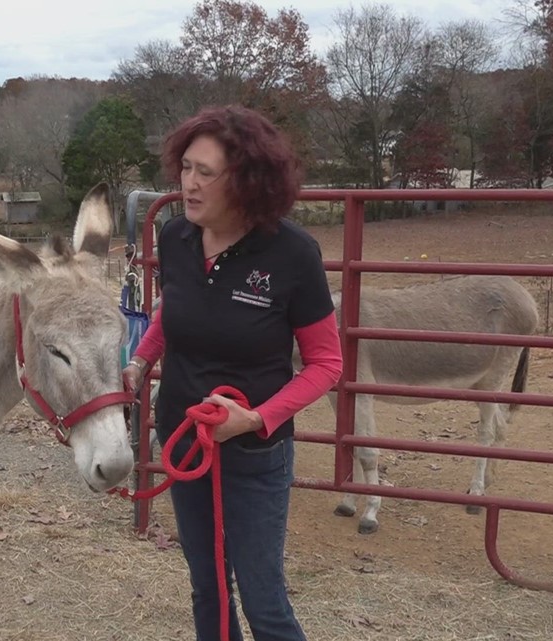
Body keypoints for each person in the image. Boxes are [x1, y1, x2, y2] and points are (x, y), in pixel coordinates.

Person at [123, 105, 343, 641]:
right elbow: (173, 311)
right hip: (184, 438)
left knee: (263, 600)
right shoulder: (175, 237)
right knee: (208, 589)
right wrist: (139, 361)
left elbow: (327, 364)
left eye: (206, 173)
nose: (189, 184)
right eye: (186, 168)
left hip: (254, 452)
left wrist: (256, 419)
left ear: (246, 182)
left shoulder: (292, 253)